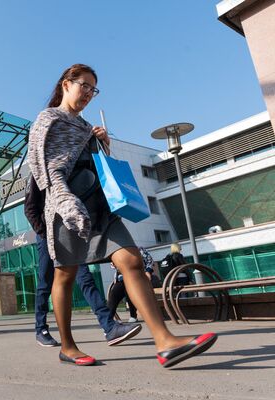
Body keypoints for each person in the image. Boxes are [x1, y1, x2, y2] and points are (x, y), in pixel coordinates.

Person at [27, 63, 217, 368]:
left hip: (100, 207)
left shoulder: (85, 127)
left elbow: (99, 166)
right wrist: (65, 200)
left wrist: (102, 143)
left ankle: (164, 341)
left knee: (132, 260)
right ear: (66, 84)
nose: (88, 93)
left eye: (93, 89)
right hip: (65, 208)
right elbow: (44, 169)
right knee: (65, 275)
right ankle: (68, 346)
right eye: (84, 85)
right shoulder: (48, 120)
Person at [24, 175, 142, 347]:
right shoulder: (40, 170)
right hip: (47, 235)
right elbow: (30, 208)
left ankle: (109, 326)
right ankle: (40, 329)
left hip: (69, 233)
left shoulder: (73, 166)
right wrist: (44, 233)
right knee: (45, 282)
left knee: (85, 279)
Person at [108, 247, 156, 323]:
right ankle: (109, 317)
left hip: (138, 277)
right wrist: (115, 264)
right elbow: (112, 265)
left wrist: (148, 271)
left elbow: (150, 261)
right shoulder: (118, 251)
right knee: (114, 293)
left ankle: (133, 315)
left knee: (129, 289)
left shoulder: (139, 249)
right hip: (122, 278)